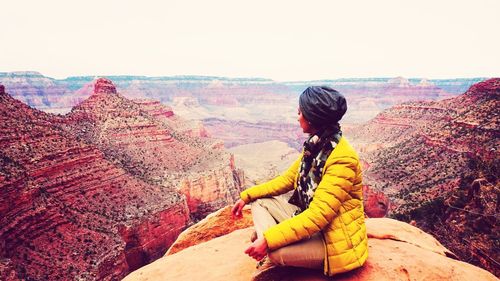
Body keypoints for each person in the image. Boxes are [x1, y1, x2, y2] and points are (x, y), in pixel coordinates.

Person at [231, 86, 368, 278]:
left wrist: (269, 241)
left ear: (312, 118)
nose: (297, 117)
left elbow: (318, 215)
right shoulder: (317, 145)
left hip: (332, 240)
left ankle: (269, 245)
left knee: (275, 253)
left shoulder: (341, 158)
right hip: (312, 224)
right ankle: (271, 240)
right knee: (260, 202)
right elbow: (287, 179)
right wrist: (247, 195)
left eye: (299, 112)